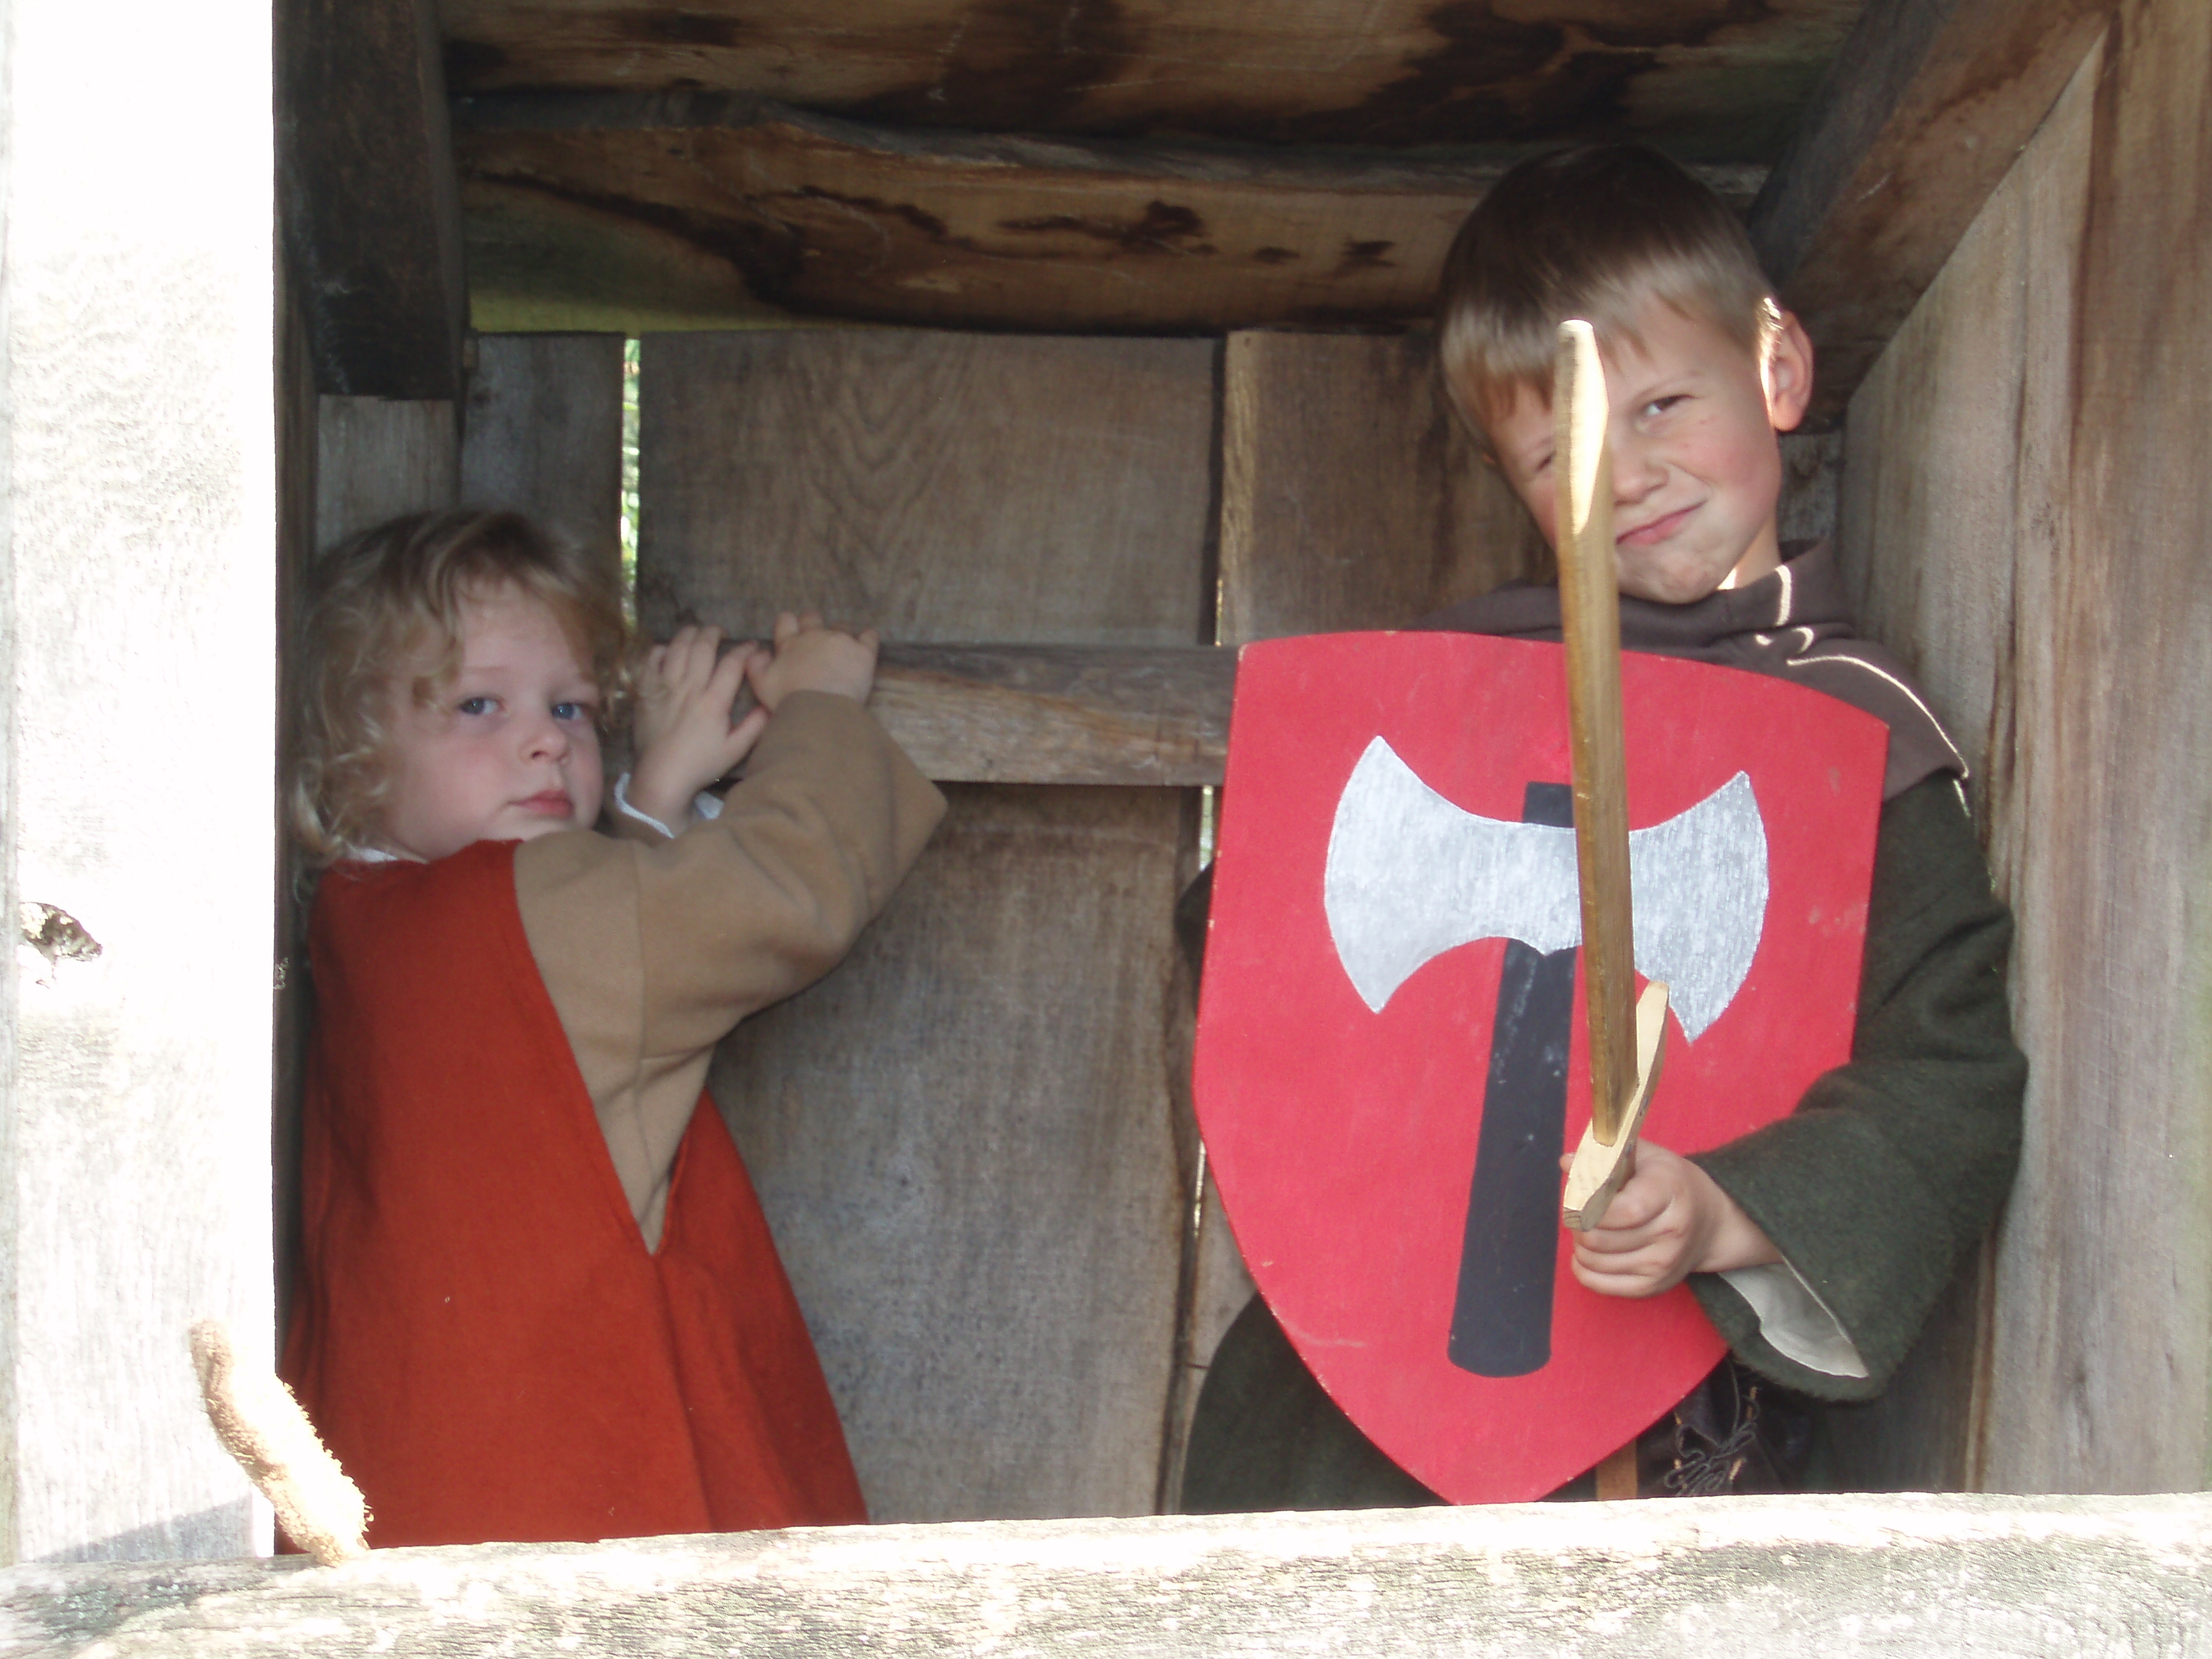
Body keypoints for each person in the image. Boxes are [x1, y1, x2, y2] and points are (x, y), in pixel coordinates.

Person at [1181, 144, 2027, 1507]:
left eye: (1665, 404)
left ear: (1780, 371)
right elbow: (1269, 977)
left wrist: (1727, 1212)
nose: (1625, 473)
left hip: (1683, 1425)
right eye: (1558, 451)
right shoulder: (1447, 709)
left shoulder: (1850, 731)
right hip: (1371, 1424)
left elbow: (1953, 1072)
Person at [280, 509, 944, 1546]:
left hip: (416, 1483)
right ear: (354, 760)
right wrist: (818, 709)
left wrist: (651, 800)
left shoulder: (365, 927)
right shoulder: (528, 914)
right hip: (588, 1501)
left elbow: (595, 958)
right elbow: (782, 890)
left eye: (574, 709)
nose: (544, 736)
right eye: (478, 704)